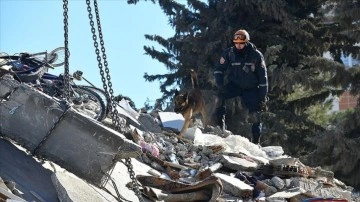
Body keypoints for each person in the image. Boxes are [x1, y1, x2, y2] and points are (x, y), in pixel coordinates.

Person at [213, 29, 268, 144]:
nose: (238, 45)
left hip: (251, 88)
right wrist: (220, 84)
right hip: (235, 85)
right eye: (236, 42)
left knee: (256, 113)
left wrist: (263, 97)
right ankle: (220, 128)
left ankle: (256, 141)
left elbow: (263, 78)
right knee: (219, 97)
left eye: (241, 43)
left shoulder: (256, 55)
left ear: (246, 42)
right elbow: (219, 69)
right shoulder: (229, 53)